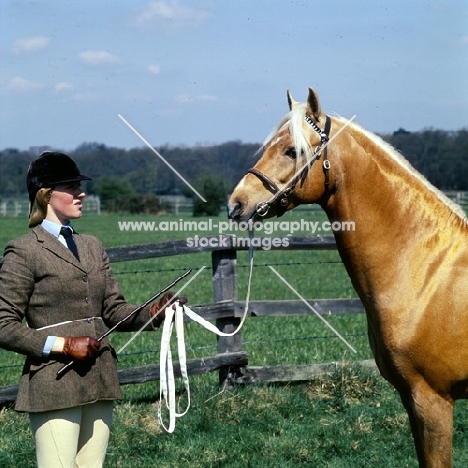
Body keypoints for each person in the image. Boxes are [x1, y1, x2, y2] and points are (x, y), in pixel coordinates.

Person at [0, 151, 184, 468]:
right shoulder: (24, 250)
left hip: (100, 378)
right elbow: (3, 325)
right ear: (45, 193)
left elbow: (113, 310)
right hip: (54, 382)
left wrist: (154, 312)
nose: (81, 193)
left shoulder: (92, 245)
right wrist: (65, 345)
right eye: (70, 186)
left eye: (79, 185)